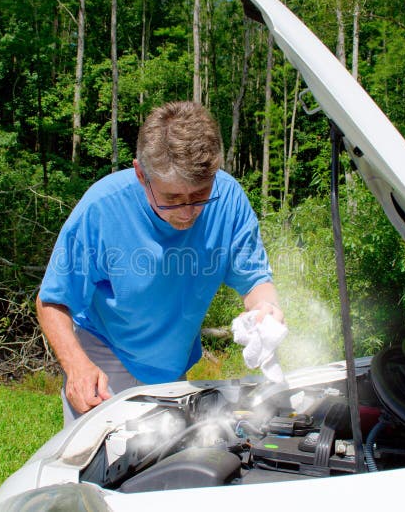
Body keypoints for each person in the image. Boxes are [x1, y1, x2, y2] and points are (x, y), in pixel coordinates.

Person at [37, 101, 284, 425]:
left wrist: (266, 311)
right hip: (103, 353)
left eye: (199, 195)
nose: (186, 212)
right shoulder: (101, 209)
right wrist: (76, 366)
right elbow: (52, 300)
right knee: (102, 463)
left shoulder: (229, 200)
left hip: (173, 361)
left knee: (166, 462)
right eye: (171, 199)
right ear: (141, 174)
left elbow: (254, 281)